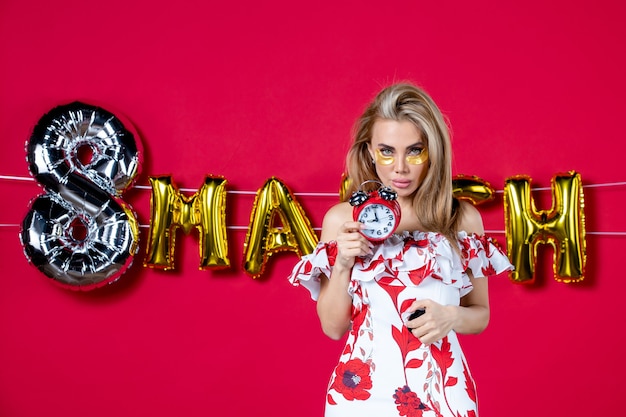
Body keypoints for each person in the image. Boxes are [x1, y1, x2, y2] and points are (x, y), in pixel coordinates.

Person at [288, 82, 513, 417]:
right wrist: (343, 263)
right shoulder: (342, 219)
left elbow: (480, 314)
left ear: (433, 152)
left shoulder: (461, 219)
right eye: (387, 151)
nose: (400, 168)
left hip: (443, 393)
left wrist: (450, 316)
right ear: (369, 151)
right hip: (359, 395)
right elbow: (333, 328)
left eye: (414, 150)